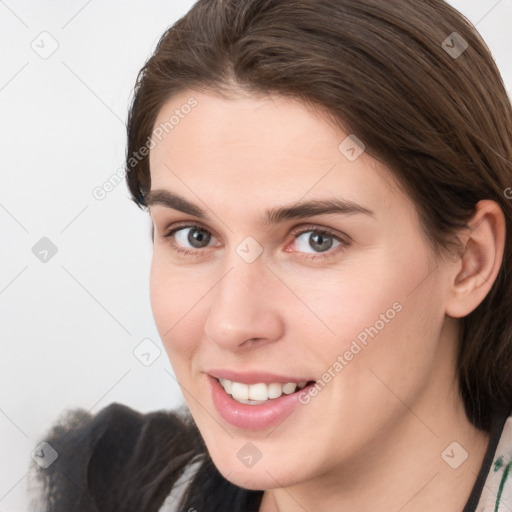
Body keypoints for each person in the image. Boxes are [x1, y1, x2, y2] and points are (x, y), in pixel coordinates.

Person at [30, 0, 512, 511]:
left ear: (469, 261)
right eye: (194, 235)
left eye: (316, 240)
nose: (231, 324)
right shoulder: (105, 487)